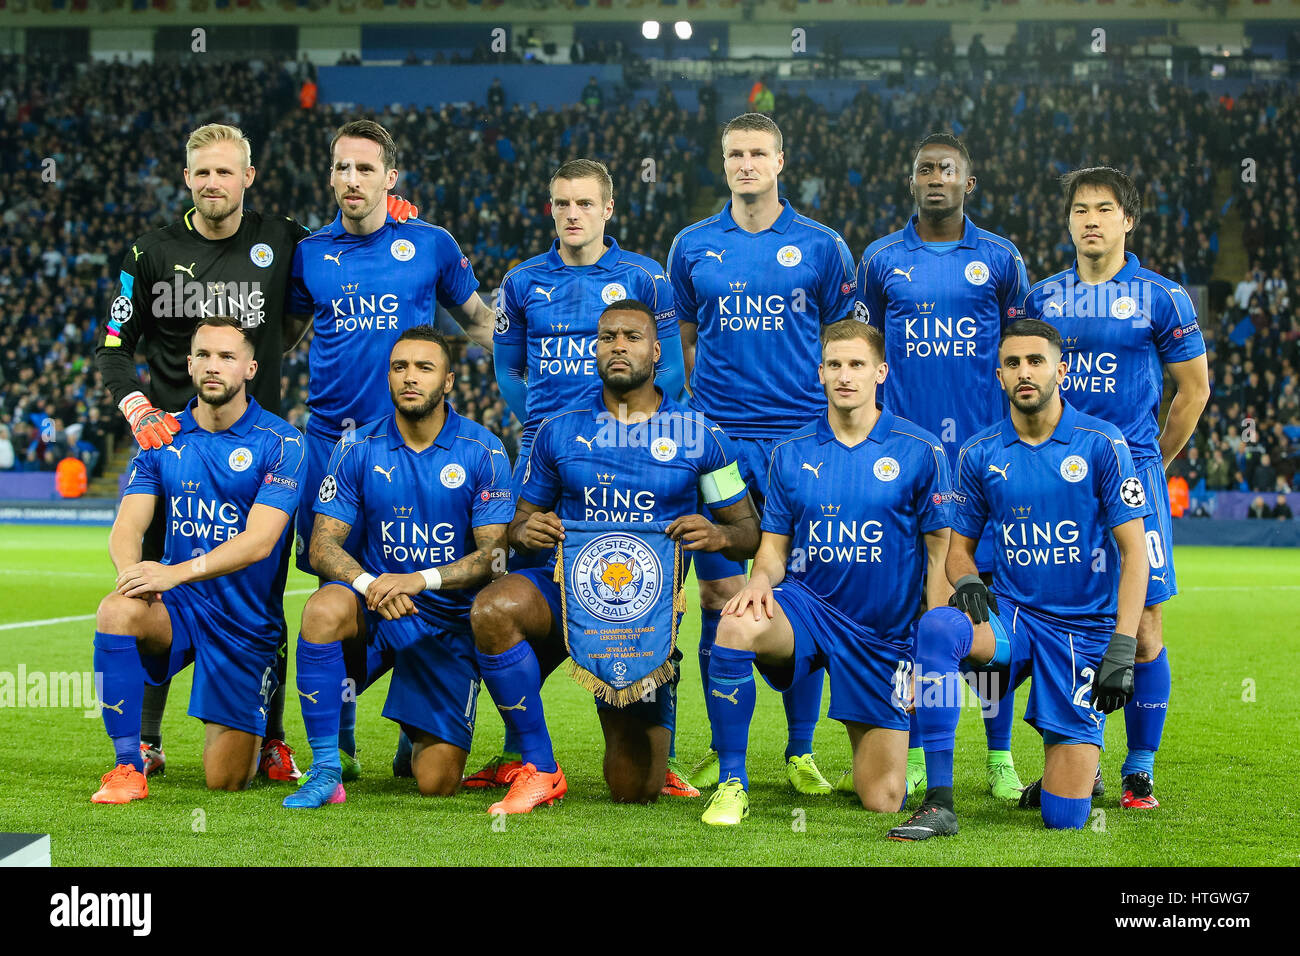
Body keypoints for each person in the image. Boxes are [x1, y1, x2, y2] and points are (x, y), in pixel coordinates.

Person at [90, 123, 413, 782]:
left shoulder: (281, 237)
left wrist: (398, 216)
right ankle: (144, 740)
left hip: (255, 444)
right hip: (172, 443)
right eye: (202, 173)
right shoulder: (146, 255)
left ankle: (269, 734)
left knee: (262, 591)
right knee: (148, 577)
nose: (213, 184)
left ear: (248, 177)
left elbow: (340, 248)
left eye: (225, 172)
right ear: (187, 180)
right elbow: (113, 344)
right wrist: (137, 409)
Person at [468, 301, 760, 813]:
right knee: (493, 608)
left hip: (638, 619)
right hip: (563, 596)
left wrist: (717, 534)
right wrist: (525, 530)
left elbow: (749, 531)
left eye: (631, 336)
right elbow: (516, 526)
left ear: (656, 350)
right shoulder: (558, 431)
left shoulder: (700, 435)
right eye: (606, 338)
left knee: (633, 790)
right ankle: (539, 767)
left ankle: (659, 694)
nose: (617, 346)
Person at [287, 118, 496, 782]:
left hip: (417, 449)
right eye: (342, 168)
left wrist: (550, 367)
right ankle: (339, 738)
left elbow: (483, 323)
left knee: (430, 584)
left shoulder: (430, 245)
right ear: (330, 176)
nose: (352, 180)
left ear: (390, 178)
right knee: (338, 593)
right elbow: (279, 342)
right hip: (333, 449)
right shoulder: (308, 254)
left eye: (365, 169)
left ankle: (421, 720)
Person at [888, 319, 1149, 840]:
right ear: (999, 375)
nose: (1024, 372)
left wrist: (1122, 645)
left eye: (1035, 361)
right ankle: (939, 801)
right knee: (938, 628)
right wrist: (966, 582)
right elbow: (959, 552)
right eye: (1012, 363)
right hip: (1013, 622)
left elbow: (1134, 554)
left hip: (1082, 635)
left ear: (1062, 369)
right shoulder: (981, 453)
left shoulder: (1102, 444)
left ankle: (1068, 776)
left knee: (1064, 819)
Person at [475, 158, 688, 793]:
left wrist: (627, 432)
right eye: (562, 204)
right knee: (520, 590)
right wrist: (551, 425)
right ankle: (525, 754)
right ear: (551, 209)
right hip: (548, 460)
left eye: (585, 205)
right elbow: (509, 372)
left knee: (644, 603)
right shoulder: (520, 281)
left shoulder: (644, 276)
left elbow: (672, 370)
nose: (573, 215)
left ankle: (660, 756)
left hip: (633, 466)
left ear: (608, 211)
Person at [667, 112, 857, 795]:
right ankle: (728, 754)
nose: (746, 163)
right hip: (718, 445)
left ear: (781, 162)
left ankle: (799, 751)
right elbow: (685, 340)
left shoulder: (824, 246)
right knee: (719, 590)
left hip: (801, 443)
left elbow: (846, 342)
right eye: (735, 154)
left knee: (797, 593)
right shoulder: (692, 245)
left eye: (758, 153)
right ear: (724, 164)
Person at [699, 320, 953, 826]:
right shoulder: (790, 453)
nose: (845, 375)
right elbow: (772, 552)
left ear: (880, 372)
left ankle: (883, 751)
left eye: (857, 365)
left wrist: (935, 624)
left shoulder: (920, 449)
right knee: (734, 623)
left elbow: (940, 548)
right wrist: (755, 582)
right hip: (807, 609)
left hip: (883, 634)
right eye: (834, 364)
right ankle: (732, 781)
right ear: (820, 372)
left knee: (882, 798)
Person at [1022, 166, 1209, 810]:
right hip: (1058, 477)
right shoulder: (1043, 298)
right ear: (1068, 221)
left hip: (1131, 479)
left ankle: (1139, 766)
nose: (1091, 220)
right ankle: (1080, 760)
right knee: (1064, 615)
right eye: (1080, 210)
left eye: (1104, 209)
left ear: (1128, 220)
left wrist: (1151, 460)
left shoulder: (1162, 297)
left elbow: (1194, 390)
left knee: (1146, 626)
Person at [855, 132, 1031, 801]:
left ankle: (999, 754)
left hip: (984, 462)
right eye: (925, 168)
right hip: (904, 460)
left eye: (948, 169)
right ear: (911, 180)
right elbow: (863, 349)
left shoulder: (1001, 259)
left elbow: (1023, 351)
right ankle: (925, 749)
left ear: (968, 183)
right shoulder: (879, 261)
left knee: (980, 609)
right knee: (913, 616)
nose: (935, 178)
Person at [285, 327, 512, 808]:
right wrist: (372, 586)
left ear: (448, 381)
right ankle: (327, 767)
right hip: (375, 608)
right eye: (400, 367)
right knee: (324, 607)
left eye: (424, 368)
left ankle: (416, 725)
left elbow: (495, 557)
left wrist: (417, 580)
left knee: (434, 783)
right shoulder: (355, 446)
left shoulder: (483, 449)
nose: (410, 378)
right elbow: (322, 547)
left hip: (445, 622)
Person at [88, 316, 305, 803]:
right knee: (116, 609)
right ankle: (128, 764)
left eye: (227, 357)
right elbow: (128, 527)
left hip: (244, 622)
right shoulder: (162, 436)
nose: (213, 366)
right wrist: (132, 576)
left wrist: (174, 572)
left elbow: (259, 542)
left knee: (225, 781)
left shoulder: (283, 443)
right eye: (203, 355)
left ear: (250, 368)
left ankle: (265, 723)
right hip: (178, 609)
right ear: (188, 365)